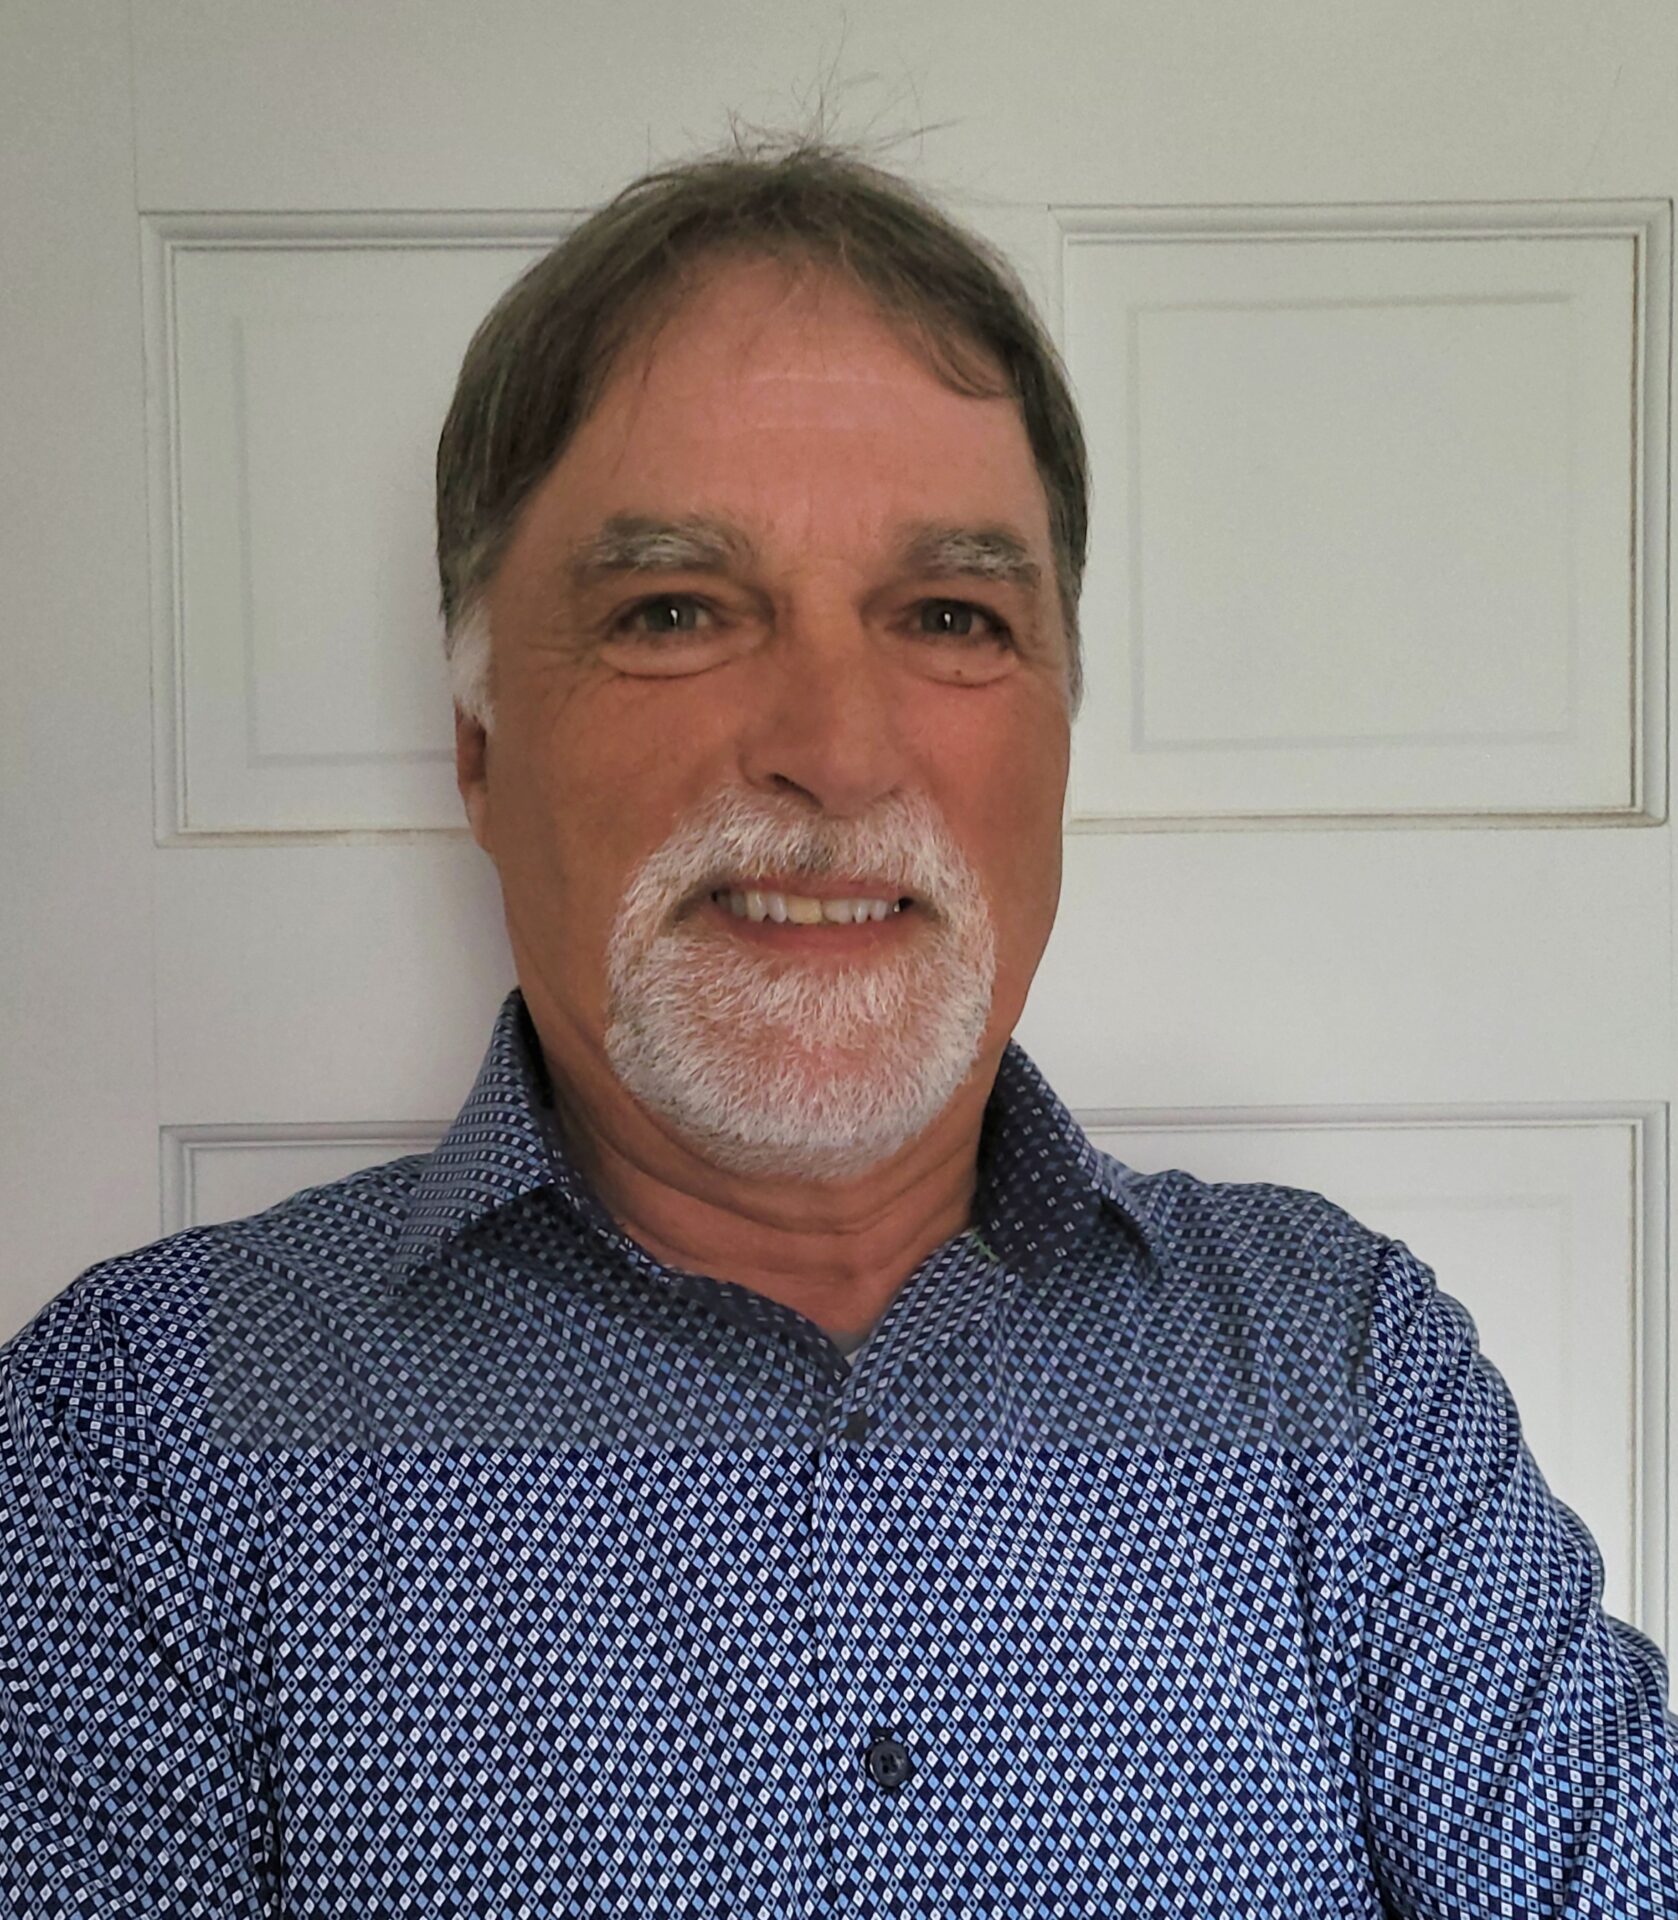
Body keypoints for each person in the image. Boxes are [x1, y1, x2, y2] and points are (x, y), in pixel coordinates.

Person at [2, 135, 1674, 1918]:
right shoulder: (143, 1438)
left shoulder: (1339, 1364)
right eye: (673, 611)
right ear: (478, 754)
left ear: (1057, 736)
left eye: (948, 616)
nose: (836, 750)